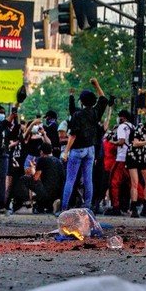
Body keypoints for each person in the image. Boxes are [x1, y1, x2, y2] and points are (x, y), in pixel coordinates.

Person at [61, 79, 107, 211]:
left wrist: (66, 152)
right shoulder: (95, 112)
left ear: (81, 101)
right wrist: (96, 84)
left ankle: (64, 209)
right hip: (90, 150)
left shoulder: (77, 115)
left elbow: (73, 135)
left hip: (77, 150)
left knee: (70, 179)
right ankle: (88, 207)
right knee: (88, 180)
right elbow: (103, 98)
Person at [126, 110, 146, 217]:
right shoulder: (140, 127)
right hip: (134, 156)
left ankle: (145, 206)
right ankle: (134, 207)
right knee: (135, 182)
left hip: (145, 156)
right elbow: (135, 143)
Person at [105, 109, 132, 216]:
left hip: (121, 158)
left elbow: (121, 141)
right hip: (130, 158)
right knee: (129, 183)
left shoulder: (121, 127)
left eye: (120, 117)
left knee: (113, 183)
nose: (118, 119)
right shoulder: (132, 126)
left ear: (123, 117)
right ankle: (127, 206)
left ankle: (116, 206)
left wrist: (112, 142)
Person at [26, 144, 64, 214]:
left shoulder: (42, 160)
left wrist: (32, 168)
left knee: (25, 179)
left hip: (46, 193)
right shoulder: (58, 161)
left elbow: (36, 178)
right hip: (58, 192)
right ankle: (51, 206)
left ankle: (38, 206)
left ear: (41, 152)